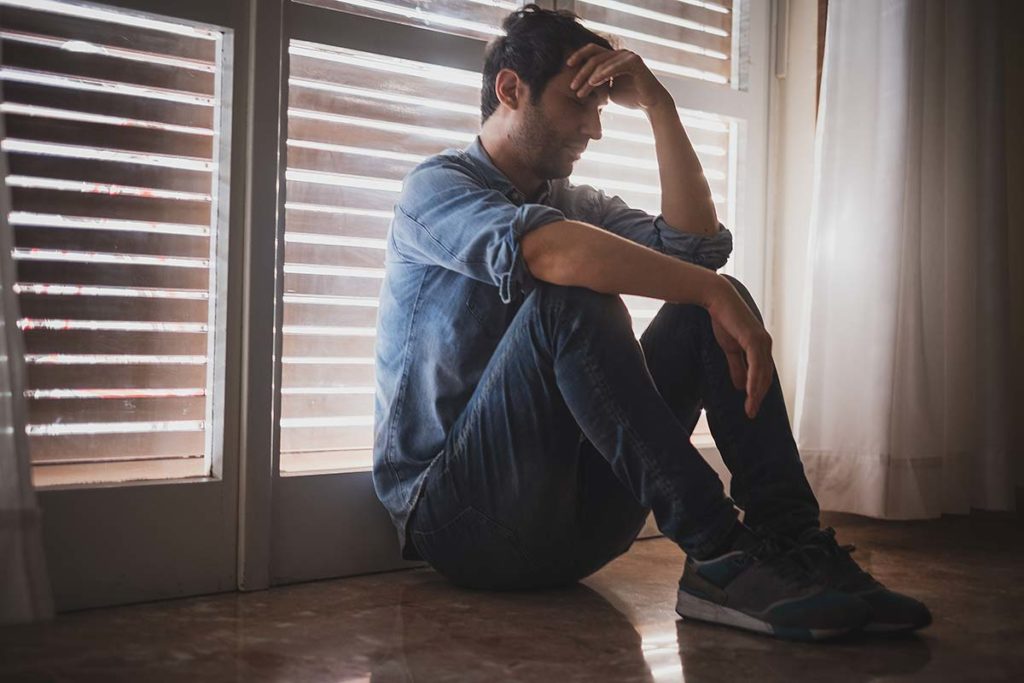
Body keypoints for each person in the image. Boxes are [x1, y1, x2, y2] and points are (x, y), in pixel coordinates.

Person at [372, 4, 930, 641]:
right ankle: (720, 550)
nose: (595, 129)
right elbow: (551, 254)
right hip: (460, 521)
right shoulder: (436, 190)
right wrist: (712, 290)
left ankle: (796, 547)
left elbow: (697, 251)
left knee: (706, 300)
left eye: (602, 108)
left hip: (581, 526)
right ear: (510, 90)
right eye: (578, 104)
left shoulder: (574, 204)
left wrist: (660, 105)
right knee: (574, 295)